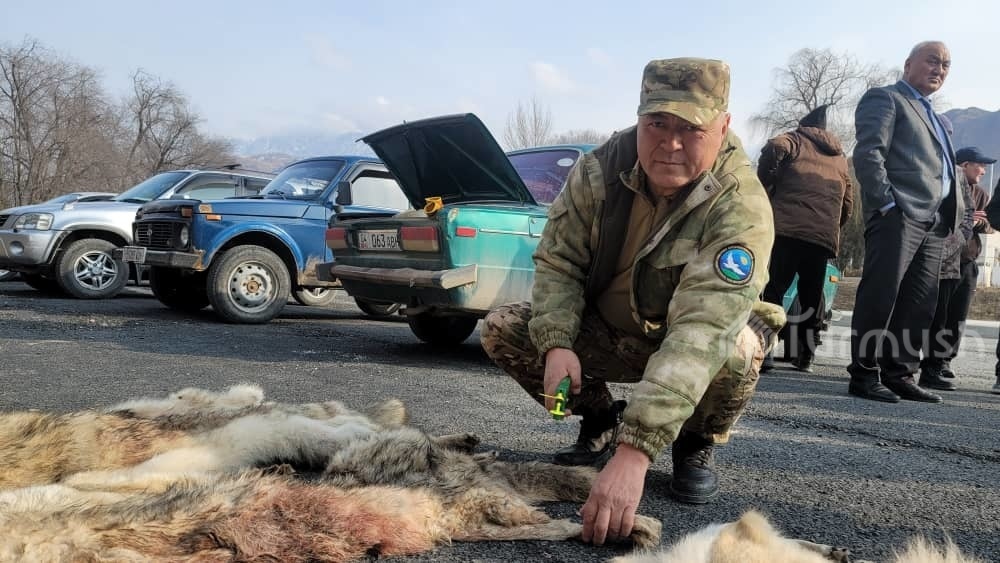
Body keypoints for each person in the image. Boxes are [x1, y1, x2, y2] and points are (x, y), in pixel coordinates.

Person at [480, 58, 784, 546]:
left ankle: (694, 440)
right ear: (639, 117)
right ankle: (600, 419)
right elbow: (560, 261)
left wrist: (636, 451)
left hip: (681, 343)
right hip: (607, 330)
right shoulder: (599, 170)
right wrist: (557, 343)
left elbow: (701, 332)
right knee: (505, 327)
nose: (671, 143)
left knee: (739, 348)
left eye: (691, 128)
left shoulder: (739, 205)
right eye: (657, 123)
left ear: (724, 125)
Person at [847, 40, 964, 404]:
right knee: (881, 294)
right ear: (908, 63)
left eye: (946, 65)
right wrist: (886, 204)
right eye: (932, 61)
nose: (939, 69)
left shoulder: (937, 118)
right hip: (899, 215)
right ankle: (864, 374)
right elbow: (869, 152)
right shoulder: (887, 98)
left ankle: (899, 373)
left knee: (919, 302)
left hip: (935, 222)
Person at [756, 104, 853, 373]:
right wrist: (830, 226)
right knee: (812, 296)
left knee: (775, 288)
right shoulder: (840, 158)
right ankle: (806, 355)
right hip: (821, 238)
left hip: (788, 231)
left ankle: (765, 352)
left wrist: (765, 182)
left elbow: (775, 145)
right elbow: (848, 203)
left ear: (804, 125)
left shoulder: (795, 139)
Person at [920, 147, 994, 390]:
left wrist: (979, 223)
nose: (983, 171)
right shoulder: (947, 187)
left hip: (968, 262)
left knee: (958, 316)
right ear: (963, 165)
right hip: (944, 260)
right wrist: (969, 219)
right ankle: (930, 362)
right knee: (938, 314)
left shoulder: (981, 193)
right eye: (979, 165)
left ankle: (944, 361)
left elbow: (991, 224)